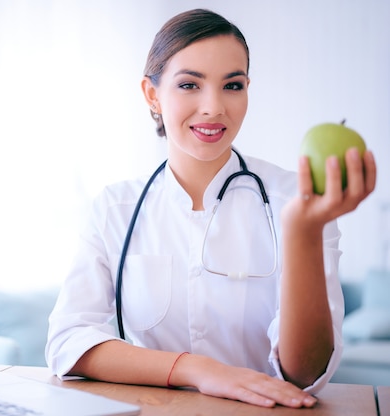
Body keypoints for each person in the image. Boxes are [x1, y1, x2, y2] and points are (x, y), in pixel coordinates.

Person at [45, 8, 377, 409]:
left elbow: (305, 374)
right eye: (189, 85)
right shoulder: (114, 209)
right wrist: (197, 369)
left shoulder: (299, 200)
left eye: (232, 86)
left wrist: (302, 233)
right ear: (152, 95)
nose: (214, 107)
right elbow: (68, 341)